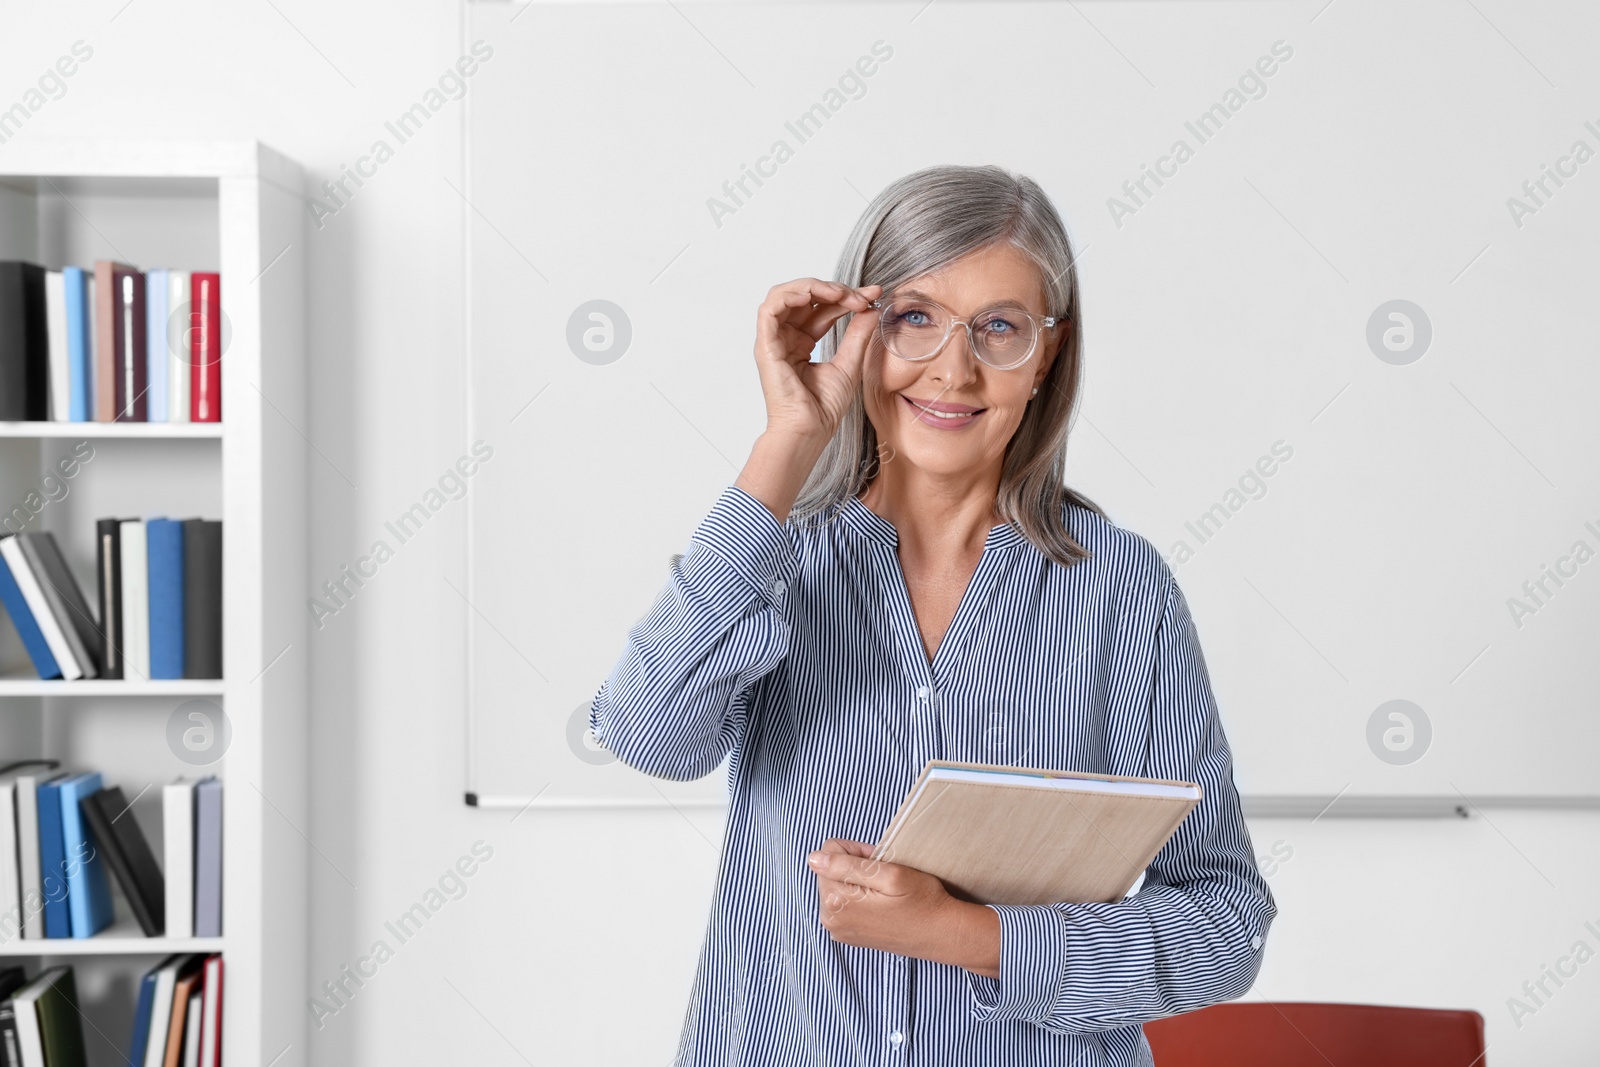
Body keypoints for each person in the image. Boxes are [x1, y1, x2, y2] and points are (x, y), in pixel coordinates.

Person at [589, 163, 1277, 1067]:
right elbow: (649, 735)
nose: (953, 368)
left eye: (999, 328)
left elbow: (1225, 923)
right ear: (856, 333)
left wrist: (972, 935)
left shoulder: (1120, 589)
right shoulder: (773, 558)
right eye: (914, 317)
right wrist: (788, 441)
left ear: (1046, 359)